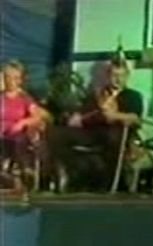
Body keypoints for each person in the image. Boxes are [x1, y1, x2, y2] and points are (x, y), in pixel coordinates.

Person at [48, 58, 143, 191]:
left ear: (127, 76)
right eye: (114, 75)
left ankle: (109, 183)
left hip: (118, 132)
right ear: (108, 76)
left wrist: (114, 116)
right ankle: (71, 174)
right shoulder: (98, 94)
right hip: (93, 132)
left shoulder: (132, 96)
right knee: (57, 134)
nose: (118, 79)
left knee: (113, 137)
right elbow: (84, 113)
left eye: (121, 76)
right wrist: (76, 117)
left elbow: (135, 118)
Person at [0, 60, 50, 189]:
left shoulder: (24, 98)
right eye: (8, 77)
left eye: (15, 77)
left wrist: (22, 122)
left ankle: (25, 173)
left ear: (20, 80)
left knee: (20, 140)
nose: (11, 81)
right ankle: (9, 179)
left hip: (17, 137)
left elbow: (37, 116)